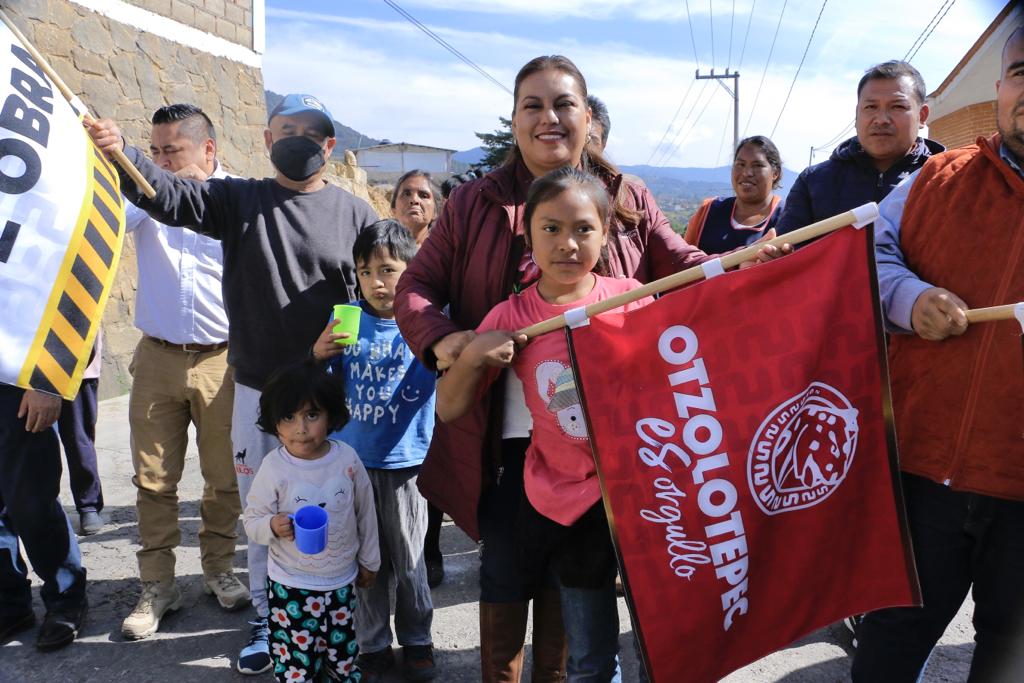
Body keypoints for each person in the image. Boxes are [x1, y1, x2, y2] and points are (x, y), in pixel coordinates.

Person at [394, 54, 787, 682]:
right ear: (515, 119)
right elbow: (415, 288)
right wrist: (446, 344)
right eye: (532, 106)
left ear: (586, 115)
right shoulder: (473, 202)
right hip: (502, 444)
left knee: (577, 595)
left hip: (602, 447)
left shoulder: (628, 194)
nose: (549, 118)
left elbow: (677, 261)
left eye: (564, 105)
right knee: (507, 578)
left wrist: (732, 269)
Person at [87, 93, 379, 675]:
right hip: (253, 390)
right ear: (267, 141)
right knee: (260, 509)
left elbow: (378, 288)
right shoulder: (236, 198)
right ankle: (268, 618)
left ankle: (343, 616)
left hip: (325, 392)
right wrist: (124, 155)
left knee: (331, 502)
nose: (296, 137)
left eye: (310, 131)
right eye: (284, 128)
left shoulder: (355, 214)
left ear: (330, 145)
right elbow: (169, 197)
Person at [852, 25, 1024, 682]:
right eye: (1021, 70)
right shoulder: (935, 179)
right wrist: (909, 298)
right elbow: (870, 254)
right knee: (885, 653)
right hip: (922, 476)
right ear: (1002, 85)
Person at [438, 167, 653, 680]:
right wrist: (472, 359)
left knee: (660, 640)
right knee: (588, 657)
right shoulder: (511, 316)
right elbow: (448, 408)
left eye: (583, 228)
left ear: (605, 230)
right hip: (567, 508)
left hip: (645, 500)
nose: (567, 244)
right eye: (550, 229)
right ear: (528, 235)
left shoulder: (633, 298)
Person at [118, 103, 248, 642]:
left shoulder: (240, 196)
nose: (161, 161)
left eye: (172, 150)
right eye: (155, 150)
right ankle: (157, 586)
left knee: (223, 479)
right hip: (158, 357)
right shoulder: (145, 191)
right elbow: (108, 220)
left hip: (223, 360)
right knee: (153, 479)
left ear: (208, 149)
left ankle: (219, 569)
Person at [312, 220, 438, 682]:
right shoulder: (346, 319)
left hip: (406, 463)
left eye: (388, 269)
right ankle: (372, 643)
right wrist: (319, 354)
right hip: (353, 464)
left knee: (409, 559)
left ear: (411, 269)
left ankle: (419, 640)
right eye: (365, 272)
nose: (376, 283)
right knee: (365, 561)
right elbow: (326, 389)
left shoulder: (426, 320)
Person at [242, 358, 380, 683]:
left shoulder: (346, 459)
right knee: (296, 661)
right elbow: (252, 520)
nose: (300, 429)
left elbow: (365, 512)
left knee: (343, 653)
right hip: (290, 586)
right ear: (274, 422)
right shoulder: (274, 467)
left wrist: (370, 560)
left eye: (312, 415)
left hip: (341, 583)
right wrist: (272, 526)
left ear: (331, 415)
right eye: (288, 417)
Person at [776, 60, 943, 233]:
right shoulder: (813, 182)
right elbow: (788, 253)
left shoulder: (944, 181)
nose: (881, 119)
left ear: (922, 116)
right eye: (871, 107)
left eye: (897, 106)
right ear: (857, 114)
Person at [0, 385, 88, 651]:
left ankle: (66, 599)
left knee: (33, 502)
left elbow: (70, 339)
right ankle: (10, 604)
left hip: (19, 385)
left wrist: (48, 385)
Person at [684, 136, 784, 253]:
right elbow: (684, 260)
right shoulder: (709, 211)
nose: (747, 173)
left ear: (775, 173)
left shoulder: (786, 217)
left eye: (757, 165)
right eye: (740, 164)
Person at [57, 335, 105, 536]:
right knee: (35, 443)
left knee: (78, 438)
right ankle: (43, 508)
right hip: (23, 367)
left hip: (75, 357)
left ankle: (88, 505)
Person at [391, 170, 438, 245]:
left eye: (424, 195)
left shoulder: (445, 252)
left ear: (435, 212)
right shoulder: (379, 250)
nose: (414, 200)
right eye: (406, 194)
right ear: (393, 209)